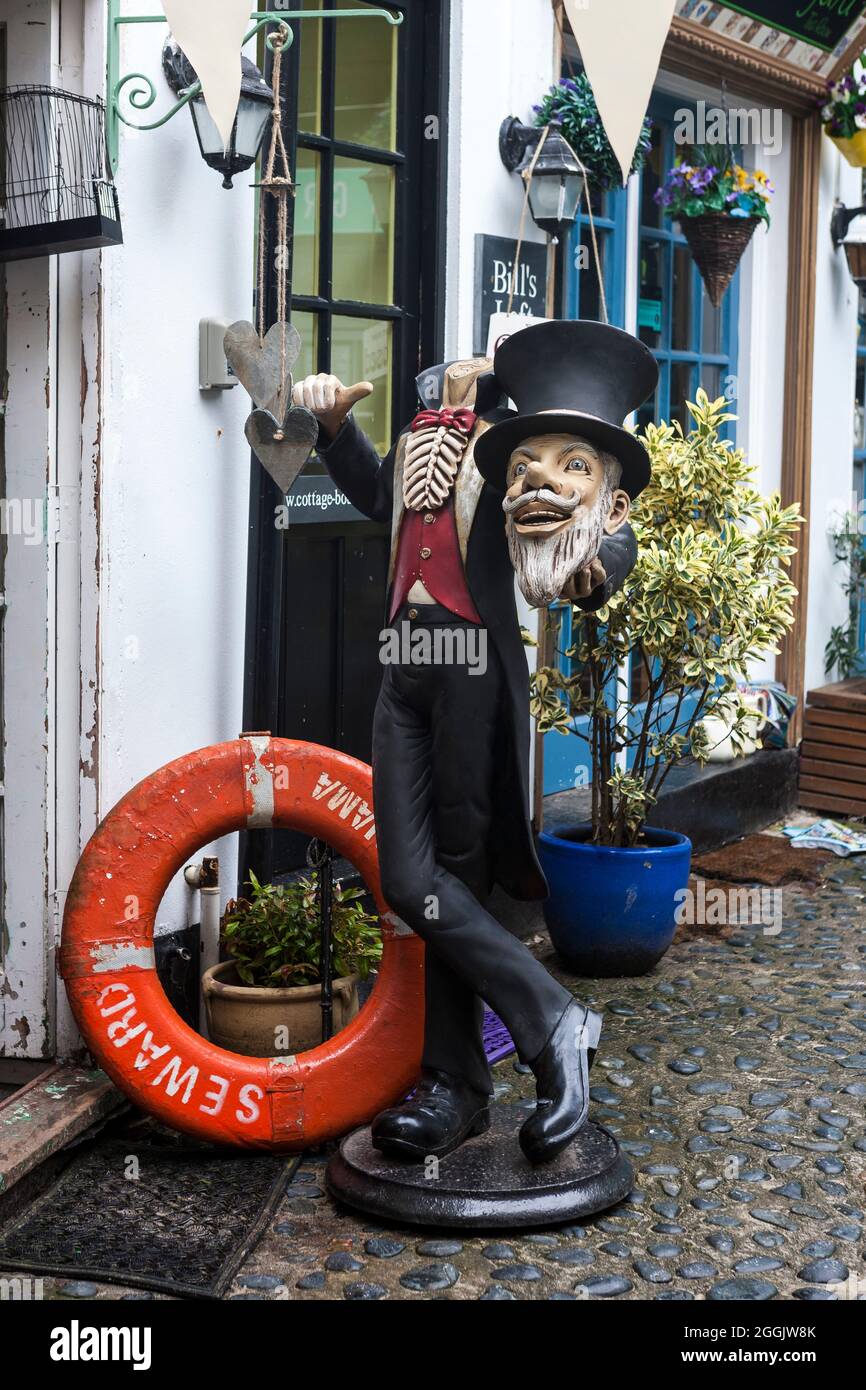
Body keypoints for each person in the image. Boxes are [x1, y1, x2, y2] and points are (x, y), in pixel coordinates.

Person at [292, 320, 658, 1164]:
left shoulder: (516, 450)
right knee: (410, 880)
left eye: (471, 368)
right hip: (403, 665)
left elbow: (598, 522)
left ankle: (453, 1085)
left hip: (469, 668)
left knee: (447, 877)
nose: (454, 372)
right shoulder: (422, 436)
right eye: (448, 367)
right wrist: (337, 431)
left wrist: (599, 565)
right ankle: (550, 1022)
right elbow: (382, 504)